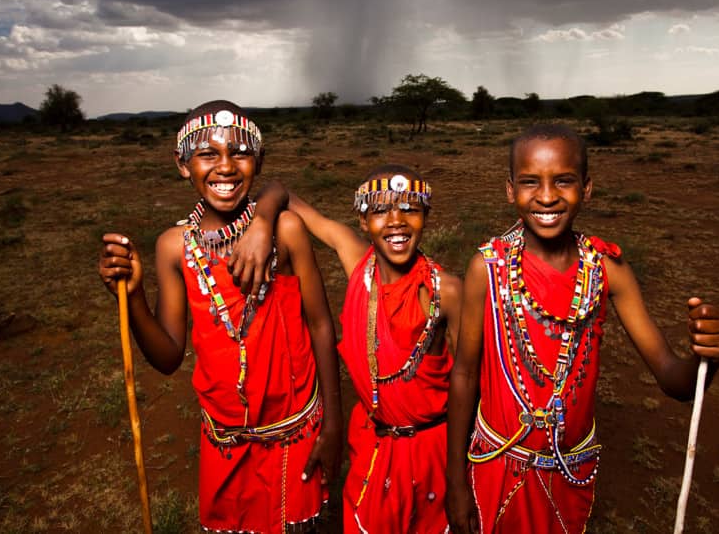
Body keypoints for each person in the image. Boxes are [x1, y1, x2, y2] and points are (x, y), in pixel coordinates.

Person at [445, 123, 719, 534]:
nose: (546, 196)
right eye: (530, 182)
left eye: (564, 181)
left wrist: (710, 358)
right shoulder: (487, 268)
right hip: (496, 464)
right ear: (510, 190)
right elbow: (464, 374)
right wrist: (456, 481)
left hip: (570, 469)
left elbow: (676, 381)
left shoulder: (606, 269)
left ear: (588, 187)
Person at [98, 100, 342, 533]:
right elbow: (169, 356)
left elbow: (322, 325)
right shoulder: (175, 247)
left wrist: (333, 426)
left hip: (295, 435)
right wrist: (133, 296)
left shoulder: (285, 231)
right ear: (182, 164)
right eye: (207, 154)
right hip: (225, 446)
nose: (225, 167)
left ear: (259, 161)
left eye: (240, 152)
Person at [244, 166, 462, 533]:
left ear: (426, 216)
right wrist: (262, 223)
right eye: (380, 211)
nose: (396, 221)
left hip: (432, 452)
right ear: (362, 221)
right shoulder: (356, 261)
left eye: (410, 208)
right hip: (372, 445)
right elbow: (279, 189)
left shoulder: (448, 292)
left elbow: (470, 384)